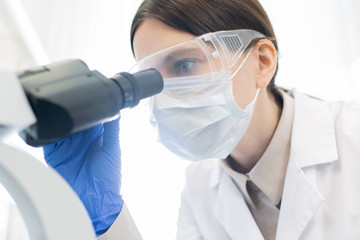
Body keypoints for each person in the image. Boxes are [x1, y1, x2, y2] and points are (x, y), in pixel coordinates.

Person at [43, 0, 360, 239]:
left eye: (184, 66)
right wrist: (106, 220)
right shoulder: (199, 190)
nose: (163, 96)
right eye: (150, 80)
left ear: (262, 63)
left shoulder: (353, 136)